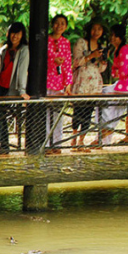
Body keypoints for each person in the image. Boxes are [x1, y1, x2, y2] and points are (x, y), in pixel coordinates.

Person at [0, 22, 30, 156]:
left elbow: (23, 70)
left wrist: (22, 91)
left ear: (22, 34)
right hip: (0, 86)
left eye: (18, 33)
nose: (15, 36)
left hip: (11, 88)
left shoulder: (24, 50)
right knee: (0, 116)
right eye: (13, 32)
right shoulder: (4, 50)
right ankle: (5, 147)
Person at [70, 19, 107, 152]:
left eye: (99, 29)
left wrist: (103, 60)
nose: (96, 32)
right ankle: (73, 138)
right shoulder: (81, 42)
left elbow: (102, 68)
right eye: (94, 28)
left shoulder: (101, 45)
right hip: (82, 81)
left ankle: (81, 141)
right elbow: (76, 62)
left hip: (94, 83)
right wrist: (91, 55)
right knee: (78, 110)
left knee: (88, 112)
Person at [45, 14, 73, 154]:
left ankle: (57, 144)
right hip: (45, 82)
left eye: (62, 23)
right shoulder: (46, 41)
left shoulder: (66, 42)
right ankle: (45, 144)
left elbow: (68, 64)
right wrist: (53, 62)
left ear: (66, 26)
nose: (59, 26)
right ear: (52, 25)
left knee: (57, 116)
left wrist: (68, 83)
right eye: (57, 23)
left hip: (59, 83)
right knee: (46, 116)